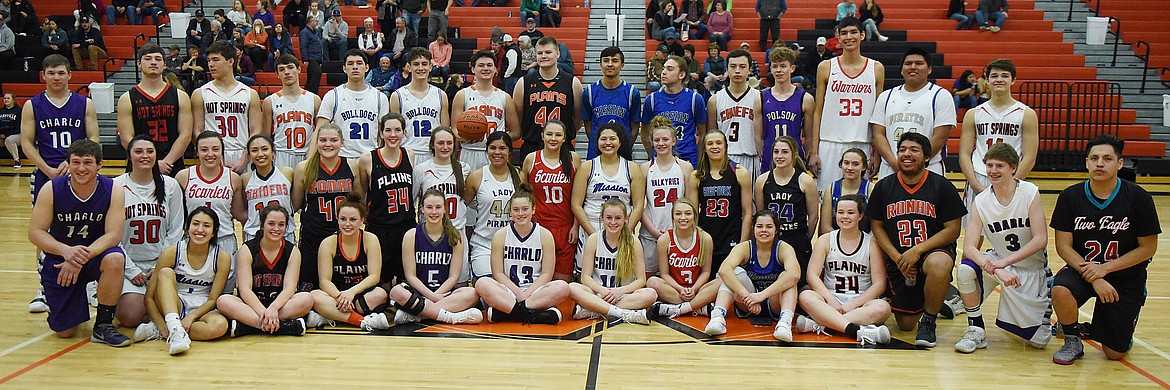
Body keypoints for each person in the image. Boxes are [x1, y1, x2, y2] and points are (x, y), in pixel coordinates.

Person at [1050, 135, 1160, 364]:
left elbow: (1148, 248)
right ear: (1087, 162)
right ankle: (1072, 338)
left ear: (1119, 164)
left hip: (1125, 274)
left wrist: (1106, 269)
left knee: (1114, 354)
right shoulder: (1070, 196)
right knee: (1060, 289)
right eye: (1094, 158)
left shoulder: (1138, 198)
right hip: (1084, 269)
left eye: (1107, 158)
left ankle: (1110, 325)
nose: (1100, 163)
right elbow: (1063, 246)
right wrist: (1094, 275)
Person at [866, 132, 966, 347]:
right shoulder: (884, 186)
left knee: (939, 264)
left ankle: (929, 321)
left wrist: (917, 250)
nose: (906, 154)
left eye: (914, 150)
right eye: (902, 150)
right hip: (899, 257)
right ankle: (938, 300)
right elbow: (877, 226)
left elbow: (953, 229)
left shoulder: (942, 186)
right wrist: (896, 256)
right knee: (905, 324)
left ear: (927, 157)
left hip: (931, 252)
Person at [29, 140, 131, 347]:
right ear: (68, 164)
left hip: (95, 255)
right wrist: (66, 251)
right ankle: (65, 301)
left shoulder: (113, 189)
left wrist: (78, 257)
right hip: (60, 258)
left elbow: (113, 235)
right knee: (65, 332)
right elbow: (35, 232)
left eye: (88, 162)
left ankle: (103, 325)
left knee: (115, 257)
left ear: (100, 164)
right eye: (76, 162)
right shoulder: (51, 189)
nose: (81, 168)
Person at [952, 143, 1051, 353]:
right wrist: (997, 268)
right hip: (1000, 265)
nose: (993, 171)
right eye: (989, 165)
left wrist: (1005, 263)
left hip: (1031, 271)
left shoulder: (1030, 192)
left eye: (1000, 166)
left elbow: (1041, 239)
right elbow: (969, 247)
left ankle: (1040, 320)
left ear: (1013, 168)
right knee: (965, 269)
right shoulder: (981, 201)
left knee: (1038, 343)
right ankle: (975, 329)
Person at [23, 55, 101, 314]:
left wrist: (75, 162)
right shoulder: (32, 105)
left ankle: (89, 282)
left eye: (61, 73)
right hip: (47, 174)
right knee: (44, 231)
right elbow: (26, 142)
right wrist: (46, 168)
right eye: (51, 73)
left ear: (70, 75)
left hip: (80, 171)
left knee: (90, 224)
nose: (56, 77)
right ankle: (44, 287)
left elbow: (94, 138)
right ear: (43, 76)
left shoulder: (84, 104)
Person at [133, 207, 232, 354]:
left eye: (206, 226)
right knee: (166, 273)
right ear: (187, 227)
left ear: (214, 231)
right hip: (174, 304)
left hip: (201, 306)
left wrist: (191, 317)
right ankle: (174, 329)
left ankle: (168, 330)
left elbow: (212, 300)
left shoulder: (222, 257)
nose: (200, 229)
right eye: (195, 224)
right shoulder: (173, 251)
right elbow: (149, 297)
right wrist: (162, 324)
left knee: (219, 326)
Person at [797, 194, 893, 345]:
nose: (845, 217)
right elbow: (812, 275)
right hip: (830, 300)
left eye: (851, 212)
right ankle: (857, 330)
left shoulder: (872, 243)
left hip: (860, 303)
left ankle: (821, 324)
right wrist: (830, 300)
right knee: (805, 296)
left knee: (883, 308)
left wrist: (852, 305)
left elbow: (879, 284)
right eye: (840, 212)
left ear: (861, 216)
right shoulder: (825, 240)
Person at [114, 136, 186, 328]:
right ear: (129, 156)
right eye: (138, 152)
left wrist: (160, 265)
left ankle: (154, 319)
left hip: (161, 265)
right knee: (130, 316)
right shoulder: (116, 186)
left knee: (176, 307)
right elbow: (112, 235)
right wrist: (131, 270)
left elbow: (176, 230)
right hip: (129, 265)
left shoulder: (170, 185)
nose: (145, 156)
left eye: (150, 151)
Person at [386, 189, 484, 324]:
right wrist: (431, 296)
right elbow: (411, 276)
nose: (433, 212)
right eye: (429, 207)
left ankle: (418, 315)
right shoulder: (411, 235)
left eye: (438, 207)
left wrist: (436, 296)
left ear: (445, 209)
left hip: (444, 294)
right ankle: (450, 317)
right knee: (396, 292)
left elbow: (454, 277)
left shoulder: (456, 237)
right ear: (422, 210)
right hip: (419, 293)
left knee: (472, 294)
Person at [473, 190, 570, 324]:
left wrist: (527, 294)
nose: (520, 214)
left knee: (563, 287)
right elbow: (498, 273)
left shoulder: (545, 235)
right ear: (510, 211)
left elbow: (547, 274)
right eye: (516, 210)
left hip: (536, 292)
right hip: (509, 291)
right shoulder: (501, 235)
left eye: (525, 209)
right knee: (482, 283)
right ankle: (534, 314)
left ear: (533, 209)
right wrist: (518, 293)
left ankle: (508, 313)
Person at [218, 204, 315, 336]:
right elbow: (244, 289)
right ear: (262, 225)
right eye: (271, 223)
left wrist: (273, 308)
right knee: (223, 301)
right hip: (252, 305)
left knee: (307, 299)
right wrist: (265, 313)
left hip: (280, 306)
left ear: (286, 227)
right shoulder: (247, 249)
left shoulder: (292, 251)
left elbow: (289, 288)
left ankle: (249, 327)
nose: (276, 228)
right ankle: (284, 327)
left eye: (281, 224)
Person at [809, 17, 883, 192]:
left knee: (858, 205)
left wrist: (877, 154)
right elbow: (817, 111)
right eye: (844, 33)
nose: (849, 37)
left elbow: (880, 116)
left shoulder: (876, 68)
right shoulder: (826, 67)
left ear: (863, 35)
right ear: (838, 37)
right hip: (830, 143)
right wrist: (814, 151)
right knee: (827, 200)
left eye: (853, 32)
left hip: (862, 143)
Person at [703, 210, 801, 341]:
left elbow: (795, 275)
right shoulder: (744, 247)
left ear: (776, 230)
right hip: (747, 302)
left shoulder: (784, 248)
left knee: (788, 277)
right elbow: (724, 270)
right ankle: (717, 317)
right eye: (759, 226)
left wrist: (761, 296)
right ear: (753, 228)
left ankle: (784, 323)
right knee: (734, 272)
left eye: (769, 226)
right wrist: (747, 296)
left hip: (773, 302)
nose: (764, 230)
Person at [959, 59, 1038, 220]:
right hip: (980, 176)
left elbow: (1029, 156)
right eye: (994, 76)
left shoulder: (1026, 113)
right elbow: (964, 154)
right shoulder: (974, 113)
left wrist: (1013, 183)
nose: (999, 79)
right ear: (986, 81)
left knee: (1012, 232)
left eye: (1005, 75)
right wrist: (975, 184)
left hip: (1012, 179)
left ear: (1013, 80)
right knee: (974, 234)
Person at [308, 193, 393, 331]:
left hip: (359, 295)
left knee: (380, 294)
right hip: (336, 296)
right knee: (313, 295)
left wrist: (351, 293)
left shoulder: (370, 239)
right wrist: (340, 297)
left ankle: (332, 315)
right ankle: (362, 321)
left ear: (362, 220)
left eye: (353, 219)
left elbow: (374, 277)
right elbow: (324, 281)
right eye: (343, 219)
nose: (347, 224)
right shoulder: (328, 243)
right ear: (337, 220)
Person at [292, 124, 360, 292]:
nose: (328, 144)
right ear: (316, 143)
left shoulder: (351, 166)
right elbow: (297, 203)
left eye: (333, 140)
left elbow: (358, 202)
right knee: (309, 286)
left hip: (342, 234)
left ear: (342, 142)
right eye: (323, 140)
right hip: (312, 235)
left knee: (340, 285)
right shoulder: (304, 168)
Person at [871, 47, 955, 179]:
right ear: (901, 70)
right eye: (908, 64)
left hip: (928, 168)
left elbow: (940, 136)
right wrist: (896, 164)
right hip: (891, 168)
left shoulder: (941, 95)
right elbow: (878, 134)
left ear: (929, 69)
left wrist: (915, 164)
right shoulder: (886, 96)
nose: (913, 67)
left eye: (919, 63)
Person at [175, 131, 245, 289]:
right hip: (194, 240)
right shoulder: (183, 176)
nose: (210, 154)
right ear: (197, 152)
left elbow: (240, 214)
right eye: (204, 149)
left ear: (222, 151)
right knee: (192, 289)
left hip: (224, 240)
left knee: (224, 293)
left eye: (215, 149)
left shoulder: (233, 178)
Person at [569, 198, 657, 324]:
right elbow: (585, 277)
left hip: (622, 295)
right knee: (572, 287)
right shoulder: (594, 239)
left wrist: (619, 291)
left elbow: (641, 280)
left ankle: (595, 310)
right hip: (599, 293)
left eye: (618, 218)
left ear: (626, 219)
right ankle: (622, 313)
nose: (613, 222)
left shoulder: (633, 242)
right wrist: (601, 290)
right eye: (609, 218)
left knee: (651, 294)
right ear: (602, 218)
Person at [572, 123, 646, 269]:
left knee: (621, 274)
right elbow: (576, 204)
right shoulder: (587, 167)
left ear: (620, 142)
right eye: (603, 139)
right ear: (597, 141)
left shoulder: (632, 168)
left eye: (612, 138)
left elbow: (638, 205)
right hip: (591, 226)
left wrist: (624, 232)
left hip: (620, 227)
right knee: (586, 275)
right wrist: (594, 236)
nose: (607, 143)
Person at [355, 113, 415, 288]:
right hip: (379, 228)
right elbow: (363, 193)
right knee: (382, 283)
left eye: (397, 130)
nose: (393, 135)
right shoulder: (367, 159)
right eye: (388, 130)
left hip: (406, 226)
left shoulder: (409, 155)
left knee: (407, 280)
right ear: (381, 133)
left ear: (404, 133)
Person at [117, 44, 193, 176]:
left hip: (172, 164)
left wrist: (166, 162)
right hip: (140, 164)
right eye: (148, 58)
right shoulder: (127, 98)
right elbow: (126, 138)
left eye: (158, 59)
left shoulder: (180, 96)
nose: (153, 62)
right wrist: (152, 163)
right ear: (139, 63)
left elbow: (185, 135)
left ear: (164, 64)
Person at [192, 41, 264, 173]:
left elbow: (256, 130)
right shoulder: (200, 93)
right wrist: (211, 155)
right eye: (209, 61)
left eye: (215, 60)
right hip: (213, 154)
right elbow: (197, 130)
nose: (210, 65)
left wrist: (244, 158)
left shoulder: (249, 94)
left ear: (230, 61)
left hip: (243, 153)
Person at [754, 136, 818, 280]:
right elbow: (760, 214)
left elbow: (813, 217)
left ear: (794, 154)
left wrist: (804, 238)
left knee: (798, 282)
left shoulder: (806, 181)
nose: (779, 156)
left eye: (784, 152)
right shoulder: (762, 180)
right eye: (776, 152)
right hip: (771, 239)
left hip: (797, 238)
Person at [686, 129, 751, 271]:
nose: (714, 146)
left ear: (725, 147)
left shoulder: (740, 173)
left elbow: (747, 213)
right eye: (710, 143)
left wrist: (742, 244)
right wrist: (695, 242)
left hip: (731, 237)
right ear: (704, 148)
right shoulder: (696, 176)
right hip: (706, 238)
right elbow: (693, 213)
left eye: (718, 143)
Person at [413, 128, 472, 278]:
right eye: (440, 143)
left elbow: (471, 201)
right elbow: (412, 201)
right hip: (430, 234)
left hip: (457, 232)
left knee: (460, 282)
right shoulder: (422, 169)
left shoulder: (464, 168)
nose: (445, 147)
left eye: (449, 143)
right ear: (432, 145)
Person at [514, 37, 582, 163]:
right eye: (540, 53)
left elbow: (578, 120)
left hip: (563, 147)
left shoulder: (572, 82)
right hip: (532, 145)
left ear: (558, 53)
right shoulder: (524, 82)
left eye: (548, 52)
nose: (543, 56)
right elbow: (518, 118)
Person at [639, 118, 693, 276]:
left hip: (678, 232)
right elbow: (638, 206)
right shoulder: (645, 168)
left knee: (676, 277)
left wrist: (680, 230)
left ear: (674, 141)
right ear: (652, 143)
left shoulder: (685, 167)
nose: (661, 144)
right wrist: (653, 231)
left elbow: (690, 204)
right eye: (656, 140)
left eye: (665, 139)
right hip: (650, 233)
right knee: (648, 279)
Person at [465, 132, 523, 278]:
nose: (497, 152)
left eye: (502, 148)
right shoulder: (476, 177)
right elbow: (464, 206)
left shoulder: (519, 176)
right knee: (489, 289)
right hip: (484, 243)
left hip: (513, 243)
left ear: (510, 151)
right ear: (487, 150)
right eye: (493, 148)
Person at [647, 198, 718, 317]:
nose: (683, 218)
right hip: (675, 290)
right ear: (673, 217)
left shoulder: (705, 238)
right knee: (652, 282)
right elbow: (664, 274)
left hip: (698, 290)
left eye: (688, 213)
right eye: (678, 213)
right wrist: (681, 289)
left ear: (694, 216)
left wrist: (693, 289)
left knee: (723, 281)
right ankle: (697, 307)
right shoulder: (664, 240)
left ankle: (678, 308)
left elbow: (706, 272)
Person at [452, 50, 521, 171]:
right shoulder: (462, 95)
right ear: (473, 69)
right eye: (481, 65)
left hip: (496, 154)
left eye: (489, 65)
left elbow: (516, 133)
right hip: (470, 152)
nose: (485, 68)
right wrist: (467, 136)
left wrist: (498, 141)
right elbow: (454, 130)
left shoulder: (505, 97)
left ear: (495, 69)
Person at [317, 49, 391, 159]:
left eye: (359, 63)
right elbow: (320, 129)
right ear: (344, 68)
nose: (355, 67)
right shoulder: (333, 95)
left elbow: (384, 132)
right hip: (341, 157)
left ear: (367, 68)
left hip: (370, 157)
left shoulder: (380, 97)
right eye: (350, 64)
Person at [707, 49, 763, 178]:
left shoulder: (759, 98)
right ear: (727, 69)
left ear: (750, 70)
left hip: (751, 157)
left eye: (742, 66)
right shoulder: (714, 100)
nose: (737, 70)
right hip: (724, 159)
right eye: (733, 66)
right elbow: (711, 136)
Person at [643, 55, 707, 166]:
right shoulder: (652, 99)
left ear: (681, 75)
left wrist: (699, 160)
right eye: (664, 68)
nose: (663, 72)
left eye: (670, 69)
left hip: (688, 159)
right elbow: (645, 132)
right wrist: (652, 154)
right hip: (661, 160)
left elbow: (702, 133)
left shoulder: (694, 99)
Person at [390, 48, 450, 165]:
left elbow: (445, 130)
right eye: (416, 64)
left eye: (424, 64)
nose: (421, 68)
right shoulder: (398, 96)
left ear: (430, 66)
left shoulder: (440, 95)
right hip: (407, 152)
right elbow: (394, 131)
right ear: (409, 67)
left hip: (433, 154)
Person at [582, 47, 641, 160]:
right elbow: (588, 124)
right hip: (596, 153)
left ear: (622, 65)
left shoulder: (632, 93)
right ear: (600, 64)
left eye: (614, 60)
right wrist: (599, 144)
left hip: (622, 152)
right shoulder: (589, 92)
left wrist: (625, 146)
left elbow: (634, 126)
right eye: (606, 60)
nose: (610, 64)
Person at [264, 54, 321, 169]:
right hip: (281, 154)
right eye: (281, 69)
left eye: (290, 67)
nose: (286, 72)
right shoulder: (270, 101)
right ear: (277, 74)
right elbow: (265, 136)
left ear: (299, 69)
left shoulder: (314, 99)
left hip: (307, 154)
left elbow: (319, 132)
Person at [762, 48, 813, 172]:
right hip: (770, 159)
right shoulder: (761, 97)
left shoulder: (805, 98)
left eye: (783, 66)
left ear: (792, 68)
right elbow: (759, 138)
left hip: (795, 158)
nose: (778, 70)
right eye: (775, 66)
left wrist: (804, 158)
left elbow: (809, 137)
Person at [239, 135, 297, 243]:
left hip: (284, 234)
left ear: (273, 153)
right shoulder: (245, 179)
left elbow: (295, 204)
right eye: (254, 150)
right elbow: (246, 213)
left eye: (265, 149)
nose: (260, 154)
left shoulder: (287, 173)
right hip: (255, 235)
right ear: (250, 156)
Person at [817, 148, 872, 235]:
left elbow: (876, 226)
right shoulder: (831, 188)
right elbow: (825, 227)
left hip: (864, 240)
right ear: (841, 165)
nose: (850, 168)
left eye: (855, 164)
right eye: (846, 163)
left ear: (864, 167)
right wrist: (842, 241)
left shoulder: (870, 189)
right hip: (837, 240)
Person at [300, 17, 325, 94]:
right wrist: (305, 59)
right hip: (311, 58)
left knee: (310, 77)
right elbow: (303, 46)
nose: (317, 22)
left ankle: (307, 94)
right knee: (317, 73)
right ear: (310, 22)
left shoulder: (316, 32)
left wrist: (320, 60)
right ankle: (313, 93)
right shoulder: (304, 32)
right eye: (315, 21)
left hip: (316, 57)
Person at [0, 93, 21, 167]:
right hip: (3, 134)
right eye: (4, 98)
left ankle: (17, 161)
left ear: (13, 100)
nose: (6, 100)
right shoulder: (1, 111)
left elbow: (18, 126)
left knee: (9, 140)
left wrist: (6, 134)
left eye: (8, 98)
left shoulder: (19, 111)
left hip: (18, 134)